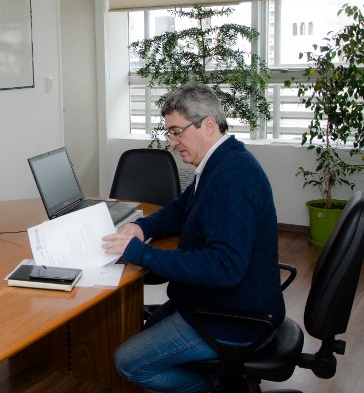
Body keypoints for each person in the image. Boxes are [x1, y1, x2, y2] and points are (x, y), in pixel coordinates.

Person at [101, 83, 284, 393]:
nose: (173, 142)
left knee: (128, 361)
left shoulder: (232, 180)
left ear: (208, 125)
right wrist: (143, 229)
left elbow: (223, 266)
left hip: (234, 318)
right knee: (146, 332)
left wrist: (140, 253)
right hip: (221, 303)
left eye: (177, 132)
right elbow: (183, 207)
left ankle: (215, 389)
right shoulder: (221, 163)